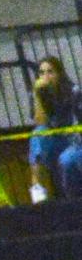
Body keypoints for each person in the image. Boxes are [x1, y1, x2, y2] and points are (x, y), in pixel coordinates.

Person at [28, 56, 82, 203]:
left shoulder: (73, 91)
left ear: (59, 73)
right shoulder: (41, 92)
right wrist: (38, 95)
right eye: (41, 72)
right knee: (37, 133)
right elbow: (40, 121)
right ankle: (36, 185)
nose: (46, 76)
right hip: (58, 140)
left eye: (50, 72)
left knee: (67, 159)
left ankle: (72, 200)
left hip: (76, 141)